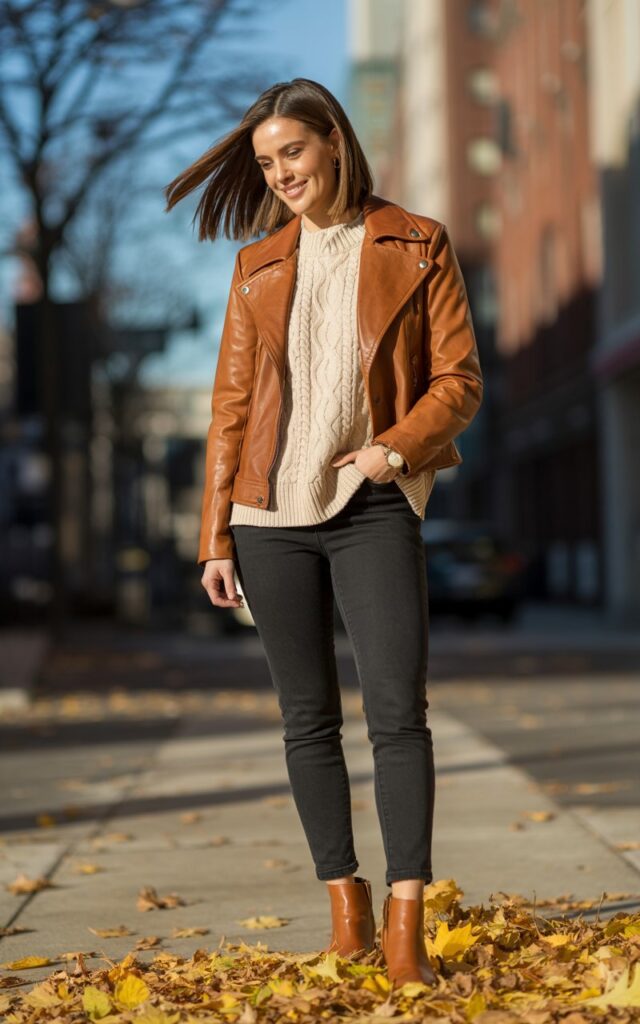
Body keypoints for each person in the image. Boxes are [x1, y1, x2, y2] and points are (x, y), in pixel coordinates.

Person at [164, 77, 483, 987]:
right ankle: (344, 910)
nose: (281, 174)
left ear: (335, 143)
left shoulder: (417, 243)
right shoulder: (257, 264)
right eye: (267, 164)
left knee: (397, 715)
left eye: (293, 154)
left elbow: (458, 380)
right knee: (306, 722)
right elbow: (229, 410)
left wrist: (392, 451)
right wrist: (214, 537)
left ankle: (403, 923)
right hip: (268, 517)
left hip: (373, 503)